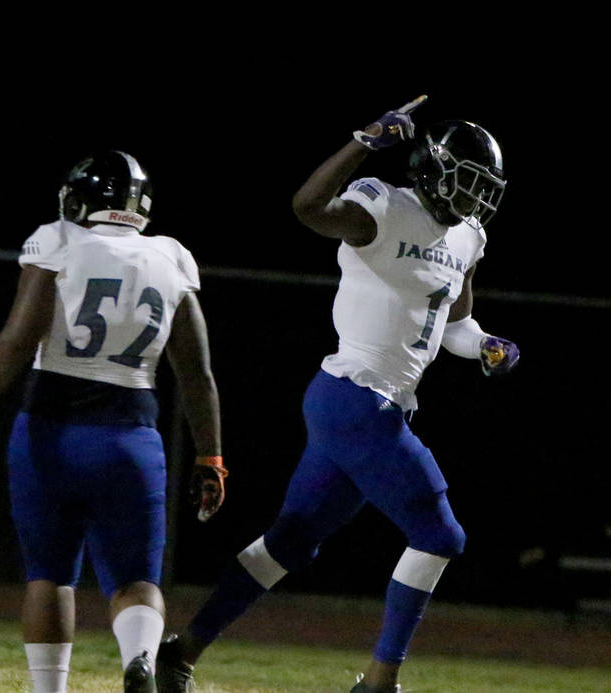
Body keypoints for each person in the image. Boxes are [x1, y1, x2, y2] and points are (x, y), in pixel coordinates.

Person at [155, 97, 520, 693]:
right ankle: (378, 682)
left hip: (373, 407)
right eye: (468, 181)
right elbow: (308, 207)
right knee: (440, 535)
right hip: (354, 398)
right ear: (432, 168)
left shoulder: (468, 238)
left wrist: (484, 346)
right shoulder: (384, 207)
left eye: (486, 188)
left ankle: (181, 653)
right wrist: (364, 141)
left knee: (290, 541)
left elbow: (452, 324)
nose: (477, 199)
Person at [0, 150, 227, 693]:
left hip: (53, 430)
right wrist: (211, 456)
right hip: (132, 435)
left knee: (49, 575)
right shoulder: (171, 255)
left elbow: (18, 338)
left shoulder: (59, 240)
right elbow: (197, 374)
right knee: (137, 580)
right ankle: (139, 658)